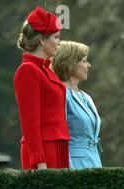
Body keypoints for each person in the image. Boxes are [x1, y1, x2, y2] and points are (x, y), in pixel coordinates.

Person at [14, 7, 70, 170]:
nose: (59, 43)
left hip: (57, 147)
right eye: (56, 37)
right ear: (42, 41)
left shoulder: (45, 71)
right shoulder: (28, 71)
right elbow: (29, 123)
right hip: (43, 152)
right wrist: (39, 161)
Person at [52, 41, 102, 169]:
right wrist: (69, 170)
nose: (89, 65)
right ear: (70, 63)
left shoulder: (86, 97)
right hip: (75, 166)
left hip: (94, 163)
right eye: (84, 61)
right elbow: (60, 137)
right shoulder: (60, 94)